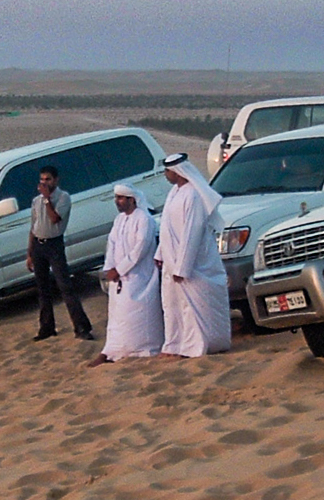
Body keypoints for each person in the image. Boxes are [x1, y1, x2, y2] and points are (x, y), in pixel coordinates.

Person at [155, 153, 232, 357]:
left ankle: (199, 345)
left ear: (179, 171)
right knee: (173, 306)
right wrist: (160, 253)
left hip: (192, 264)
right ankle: (176, 345)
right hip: (172, 262)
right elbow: (167, 227)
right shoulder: (174, 193)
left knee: (193, 306)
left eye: (168, 171)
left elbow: (192, 232)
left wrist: (183, 268)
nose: (166, 174)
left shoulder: (193, 195)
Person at [90, 184, 162, 365]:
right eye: (116, 198)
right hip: (118, 280)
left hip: (139, 278)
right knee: (118, 318)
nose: (117, 202)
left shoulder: (144, 219)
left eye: (121, 198)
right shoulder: (119, 220)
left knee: (136, 316)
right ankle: (112, 351)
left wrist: (120, 269)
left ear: (131, 199)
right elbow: (111, 245)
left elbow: (140, 249)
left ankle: (141, 349)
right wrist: (109, 268)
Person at [26, 164, 94, 341]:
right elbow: (33, 227)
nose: (44, 183)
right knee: (42, 289)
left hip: (54, 245)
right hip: (39, 245)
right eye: (42, 180)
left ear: (56, 180)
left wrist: (48, 199)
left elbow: (55, 219)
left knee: (65, 286)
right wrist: (30, 253)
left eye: (48, 179)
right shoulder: (36, 201)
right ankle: (47, 327)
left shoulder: (63, 197)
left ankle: (81, 327)